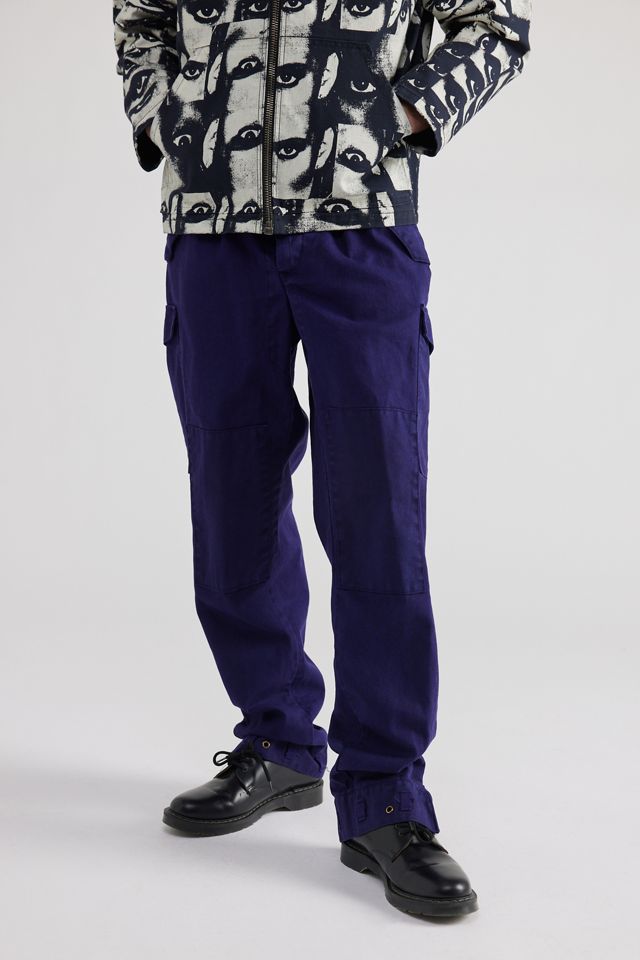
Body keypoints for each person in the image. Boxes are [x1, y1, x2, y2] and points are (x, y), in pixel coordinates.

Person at [113, 0, 531, 919]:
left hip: (360, 229)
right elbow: (140, 18)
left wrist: (401, 113)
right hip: (212, 230)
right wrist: (170, 115)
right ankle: (278, 742)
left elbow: (497, 24)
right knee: (232, 498)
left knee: (377, 508)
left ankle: (386, 793)